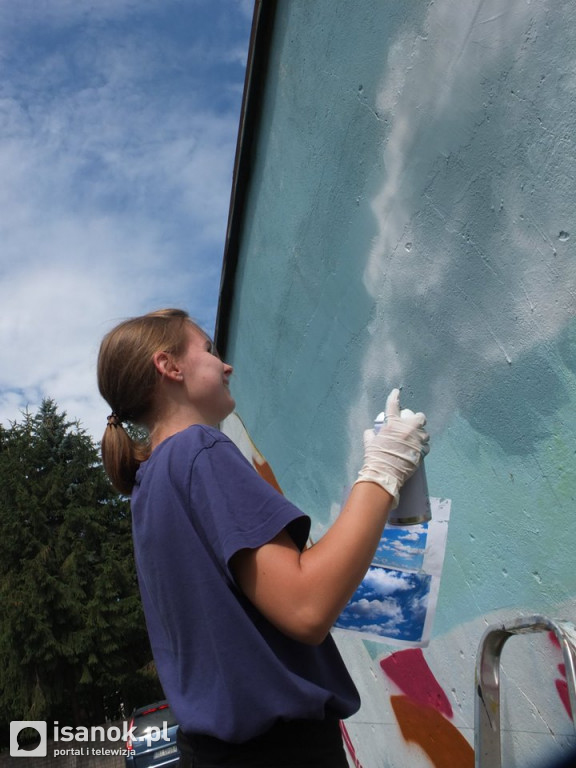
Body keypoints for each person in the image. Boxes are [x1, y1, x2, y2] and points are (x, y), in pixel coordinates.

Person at [97, 308, 430, 768]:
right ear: (169, 367)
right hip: (279, 753)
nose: (226, 364)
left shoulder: (150, 482)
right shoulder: (200, 450)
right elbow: (306, 607)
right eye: (209, 350)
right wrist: (383, 472)